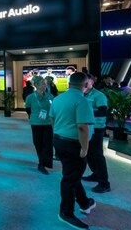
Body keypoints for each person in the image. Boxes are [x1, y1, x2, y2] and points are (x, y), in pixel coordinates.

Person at [49, 71, 96, 230]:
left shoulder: (57, 99)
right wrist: (85, 148)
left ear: (69, 84)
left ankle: (84, 202)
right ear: (86, 85)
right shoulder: (82, 101)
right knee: (70, 178)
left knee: (71, 173)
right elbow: (83, 127)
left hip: (58, 140)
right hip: (73, 145)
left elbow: (52, 119)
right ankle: (66, 212)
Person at [82, 74, 111, 193]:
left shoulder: (99, 95)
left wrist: (86, 111)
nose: (85, 84)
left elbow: (103, 112)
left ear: (92, 82)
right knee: (89, 153)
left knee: (97, 154)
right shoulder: (82, 94)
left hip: (97, 128)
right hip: (86, 128)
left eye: (87, 82)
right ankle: (96, 174)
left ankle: (104, 183)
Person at [25, 75, 54, 174]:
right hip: (36, 123)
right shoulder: (30, 97)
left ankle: (43, 163)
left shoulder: (50, 96)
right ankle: (41, 163)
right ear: (36, 85)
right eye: (42, 84)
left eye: (45, 84)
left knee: (47, 144)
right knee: (38, 143)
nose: (44, 85)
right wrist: (34, 117)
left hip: (48, 123)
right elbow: (28, 110)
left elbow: (53, 109)